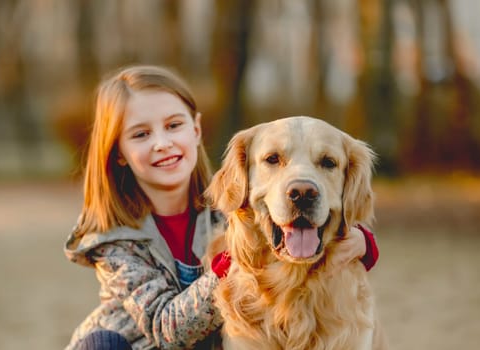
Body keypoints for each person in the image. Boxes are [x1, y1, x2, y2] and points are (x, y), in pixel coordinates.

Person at [63, 65, 379, 350]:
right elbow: (167, 329)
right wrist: (235, 260)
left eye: (173, 125)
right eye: (141, 134)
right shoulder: (113, 241)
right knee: (101, 344)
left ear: (196, 129)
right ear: (118, 151)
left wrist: (364, 243)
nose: (162, 142)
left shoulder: (228, 208)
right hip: (131, 346)